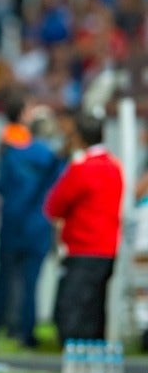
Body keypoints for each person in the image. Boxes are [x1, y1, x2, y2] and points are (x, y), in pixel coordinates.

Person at [0, 97, 61, 349]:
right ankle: (26, 334)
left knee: (3, 280)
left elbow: (0, 186)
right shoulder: (53, 160)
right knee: (31, 283)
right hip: (38, 227)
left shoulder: (12, 153)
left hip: (12, 225)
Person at [44, 113, 123, 343]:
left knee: (73, 309)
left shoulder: (82, 168)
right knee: (96, 306)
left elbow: (54, 206)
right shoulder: (114, 166)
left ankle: (73, 353)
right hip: (107, 247)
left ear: (79, 137)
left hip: (82, 246)